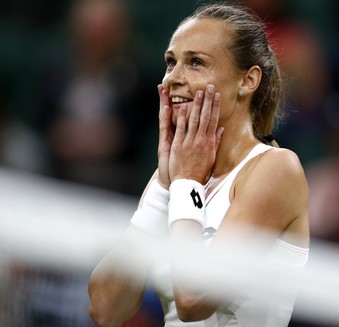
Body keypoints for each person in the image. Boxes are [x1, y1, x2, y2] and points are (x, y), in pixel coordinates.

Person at [88, 3, 310, 327]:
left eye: (195, 63)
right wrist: (165, 187)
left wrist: (187, 183)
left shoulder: (276, 170)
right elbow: (105, 310)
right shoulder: (173, 179)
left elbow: (194, 299)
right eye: (170, 62)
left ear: (247, 81)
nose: (173, 79)